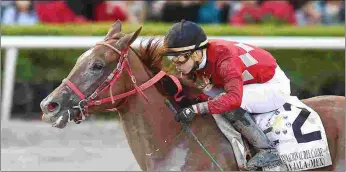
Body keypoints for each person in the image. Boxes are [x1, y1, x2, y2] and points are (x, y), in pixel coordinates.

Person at [162, 19, 291, 169]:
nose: (176, 64)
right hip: (248, 83)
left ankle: (268, 151)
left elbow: (233, 99)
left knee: (226, 103)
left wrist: (196, 109)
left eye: (179, 58)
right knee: (208, 97)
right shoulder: (199, 60)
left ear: (196, 54)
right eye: (172, 58)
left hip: (271, 86)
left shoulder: (225, 59)